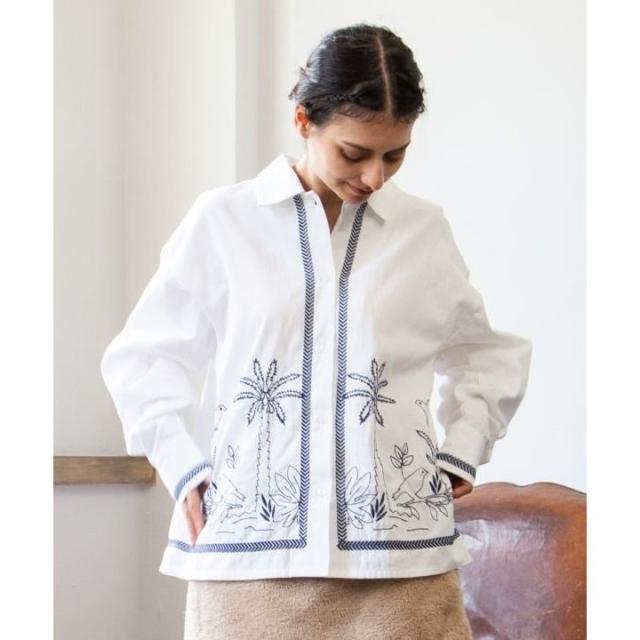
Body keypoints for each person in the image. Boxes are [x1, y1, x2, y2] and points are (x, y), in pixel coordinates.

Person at [101, 23, 532, 640]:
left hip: (399, 566)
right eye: (354, 153)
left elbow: (487, 355)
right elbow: (142, 358)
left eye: (395, 154)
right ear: (304, 120)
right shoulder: (223, 222)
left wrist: (464, 445)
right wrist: (183, 467)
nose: (375, 176)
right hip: (250, 565)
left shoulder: (422, 231)